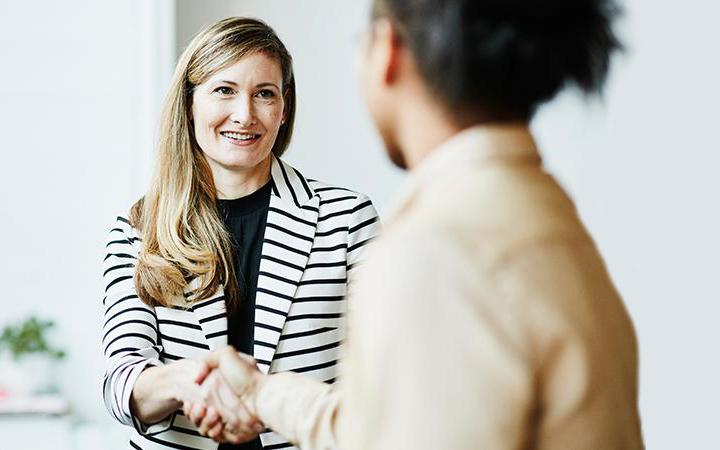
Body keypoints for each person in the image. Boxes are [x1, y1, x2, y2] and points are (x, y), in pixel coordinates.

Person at [187, 0, 646, 449]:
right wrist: (262, 393)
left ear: (387, 51)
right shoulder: (547, 218)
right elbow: (379, 429)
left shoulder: (436, 250)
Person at [101, 17, 379, 450]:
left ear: (283, 109)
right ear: (190, 103)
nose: (245, 114)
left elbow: (383, 374)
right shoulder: (138, 229)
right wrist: (191, 382)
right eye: (224, 90)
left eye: (264, 94)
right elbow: (121, 383)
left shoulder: (347, 220)